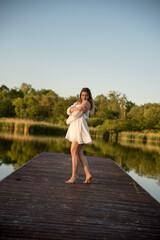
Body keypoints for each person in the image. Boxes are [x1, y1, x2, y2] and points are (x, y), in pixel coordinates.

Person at [65, 88, 94, 184]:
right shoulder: (77, 103)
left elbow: (74, 115)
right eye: (82, 95)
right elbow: (68, 110)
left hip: (79, 127)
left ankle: (74, 175)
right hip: (76, 126)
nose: (84, 97)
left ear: (89, 96)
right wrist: (77, 108)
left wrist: (74, 110)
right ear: (80, 95)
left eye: (86, 95)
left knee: (73, 151)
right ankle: (88, 174)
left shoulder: (86, 103)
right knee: (80, 152)